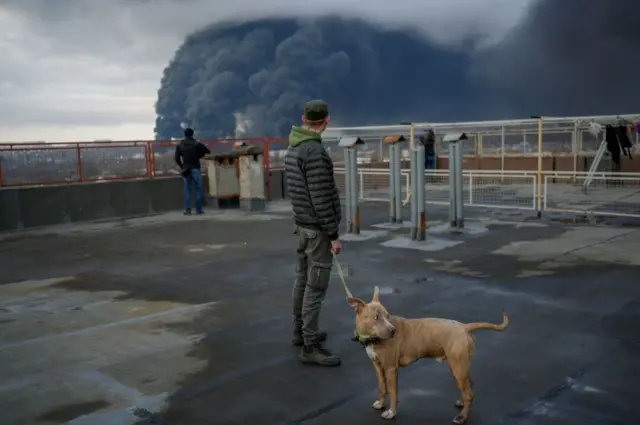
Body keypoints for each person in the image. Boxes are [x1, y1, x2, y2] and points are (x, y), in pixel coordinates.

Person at [285, 100, 342, 367]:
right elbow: (321, 198)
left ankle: (301, 332)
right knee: (315, 286)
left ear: (304, 118)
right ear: (327, 120)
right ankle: (310, 346)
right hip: (317, 231)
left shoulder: (293, 146)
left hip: (303, 226)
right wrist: (333, 235)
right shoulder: (314, 152)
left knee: (302, 281)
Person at [174, 128, 210, 215]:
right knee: (198, 189)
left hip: (186, 169)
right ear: (192, 134)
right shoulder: (196, 143)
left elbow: (177, 158)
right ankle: (198, 209)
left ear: (185, 134)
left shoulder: (180, 145)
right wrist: (198, 156)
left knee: (187, 190)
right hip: (195, 168)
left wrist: (182, 166)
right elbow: (207, 151)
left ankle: (188, 210)